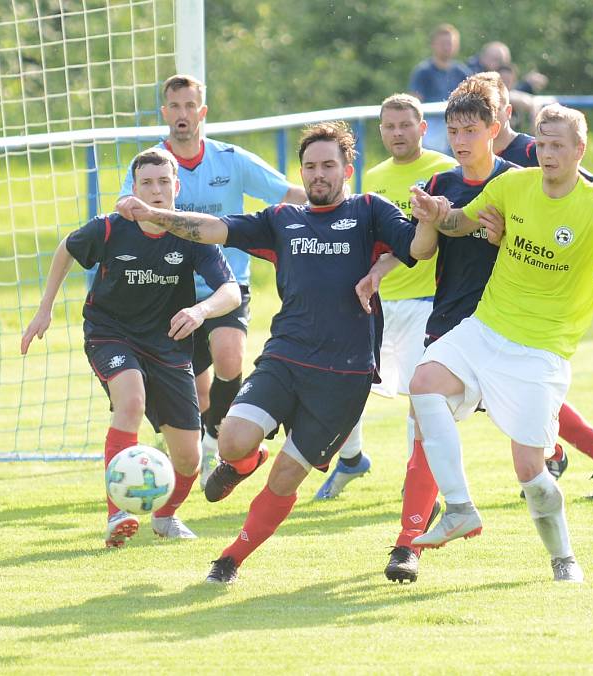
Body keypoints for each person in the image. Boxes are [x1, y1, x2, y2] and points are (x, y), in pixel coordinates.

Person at [116, 121, 438, 585]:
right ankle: (243, 463)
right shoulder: (281, 220)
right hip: (285, 358)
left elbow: (420, 249)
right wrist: (156, 215)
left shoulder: (370, 211)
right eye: (310, 166)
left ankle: (230, 558)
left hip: (344, 376)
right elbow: (214, 228)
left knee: (287, 477)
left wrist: (426, 220)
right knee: (230, 440)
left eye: (329, 165)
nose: (318, 174)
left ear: (348, 167)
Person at [406, 103, 593, 583]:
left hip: (541, 350)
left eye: (559, 145)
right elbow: (463, 223)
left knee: (530, 472)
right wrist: (437, 213)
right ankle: (459, 508)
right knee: (423, 383)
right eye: (542, 143)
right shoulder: (513, 183)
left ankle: (564, 558)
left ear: (580, 149)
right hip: (486, 327)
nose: (548, 152)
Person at [22, 148, 241, 548]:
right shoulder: (110, 228)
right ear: (135, 188)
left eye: (163, 182)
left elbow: (230, 292)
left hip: (169, 345)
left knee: (190, 458)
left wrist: (200, 309)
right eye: (147, 183)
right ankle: (117, 513)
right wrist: (44, 309)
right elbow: (67, 249)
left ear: (176, 186)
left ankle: (166, 516)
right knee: (132, 401)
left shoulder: (191, 234)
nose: (156, 190)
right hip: (110, 333)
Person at [118, 74, 306, 491]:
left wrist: (336, 201)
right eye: (174, 106)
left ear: (202, 112)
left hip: (225, 285)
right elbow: (124, 202)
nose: (182, 114)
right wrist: (129, 208)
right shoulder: (153, 164)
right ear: (164, 112)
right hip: (169, 292)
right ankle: (192, 443)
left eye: (190, 106)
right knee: (197, 396)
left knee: (230, 357)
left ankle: (219, 444)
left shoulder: (231, 159)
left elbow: (284, 191)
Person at [368, 77, 515, 582]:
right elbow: (424, 251)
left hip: (507, 328)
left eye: (470, 129)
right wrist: (428, 217)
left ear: (494, 129)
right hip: (450, 323)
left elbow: (536, 251)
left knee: (532, 453)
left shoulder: (517, 183)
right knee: (426, 426)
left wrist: (501, 236)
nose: (460, 139)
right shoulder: (439, 184)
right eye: (453, 130)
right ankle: (408, 544)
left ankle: (563, 556)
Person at [475, 71, 593, 499]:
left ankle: (569, 454)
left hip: (531, 298)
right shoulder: (465, 156)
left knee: (507, 388)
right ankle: (573, 454)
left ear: (502, 114)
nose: (469, 130)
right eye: (461, 122)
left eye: (481, 115)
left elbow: (579, 195)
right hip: (486, 284)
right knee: (493, 388)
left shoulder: (526, 150)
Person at [313, 93, 456, 501]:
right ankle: (352, 459)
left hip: (427, 301)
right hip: (376, 304)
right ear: (380, 131)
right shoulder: (373, 178)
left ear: (422, 128)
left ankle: (419, 480)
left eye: (405, 125)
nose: (397, 133)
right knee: (347, 386)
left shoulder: (444, 171)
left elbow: (425, 240)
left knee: (420, 396)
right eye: (390, 126)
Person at [408, 24, 472, 156]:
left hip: (457, 129)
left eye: (450, 43)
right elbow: (414, 105)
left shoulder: (461, 72)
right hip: (431, 134)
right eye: (443, 43)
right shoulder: (423, 72)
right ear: (433, 45)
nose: (447, 47)